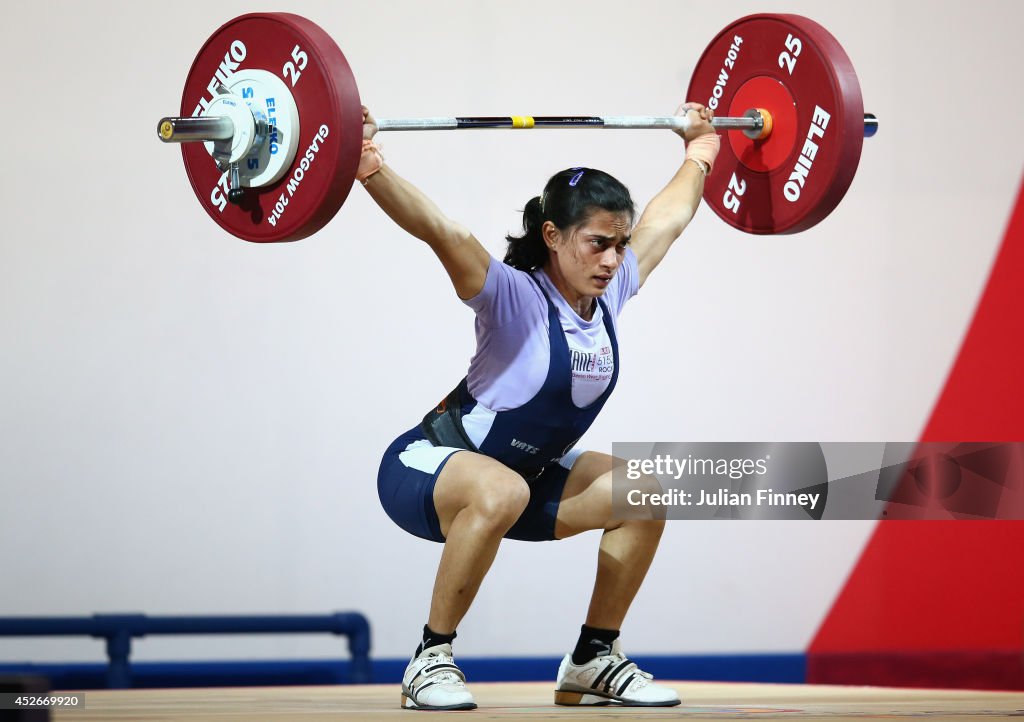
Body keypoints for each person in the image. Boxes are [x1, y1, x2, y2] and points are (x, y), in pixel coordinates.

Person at [361, 101, 720, 710]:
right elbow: (441, 232)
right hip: (426, 469)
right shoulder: (510, 296)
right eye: (598, 243)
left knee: (645, 492)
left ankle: (592, 658)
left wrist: (701, 151)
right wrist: (367, 165)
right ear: (553, 237)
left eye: (619, 244)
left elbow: (670, 218)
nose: (612, 260)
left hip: (520, 486)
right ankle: (430, 659)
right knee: (500, 490)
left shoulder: (611, 292)